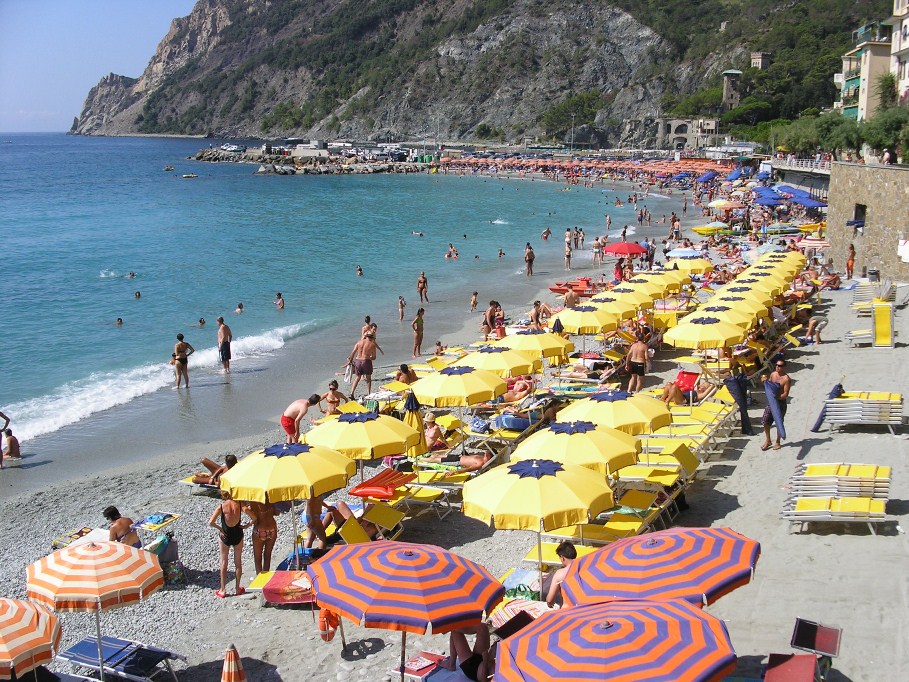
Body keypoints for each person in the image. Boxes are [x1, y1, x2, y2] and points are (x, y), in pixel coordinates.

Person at [208, 490, 251, 597]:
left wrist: (220, 529)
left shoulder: (221, 506)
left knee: (223, 562)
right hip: (238, 534)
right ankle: (237, 588)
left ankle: (222, 590)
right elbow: (254, 518)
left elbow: (211, 522)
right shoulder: (240, 504)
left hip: (225, 535)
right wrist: (246, 526)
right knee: (238, 562)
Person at [761, 359, 791, 451]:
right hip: (772, 402)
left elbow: (785, 394)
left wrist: (776, 398)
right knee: (765, 421)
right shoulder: (773, 374)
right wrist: (764, 381)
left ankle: (778, 441)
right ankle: (768, 440)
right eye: (777, 365)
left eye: (780, 366)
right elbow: (769, 386)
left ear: (784, 367)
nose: (778, 367)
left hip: (780, 403)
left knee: (779, 422)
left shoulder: (786, 379)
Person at [243, 501, 279, 574]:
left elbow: (254, 518)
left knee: (257, 557)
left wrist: (247, 525)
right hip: (272, 528)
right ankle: (265, 578)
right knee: (267, 555)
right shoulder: (271, 498)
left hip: (259, 529)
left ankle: (259, 579)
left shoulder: (253, 501)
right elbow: (277, 513)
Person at [544, 541, 577, 607]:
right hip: (586, 609)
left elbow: (549, 599)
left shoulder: (560, 574)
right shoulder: (586, 567)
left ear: (562, 558)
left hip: (568, 611)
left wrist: (550, 603)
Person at [348, 332, 381, 398]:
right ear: (372, 337)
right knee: (368, 378)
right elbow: (374, 357)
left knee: (357, 377)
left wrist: (350, 361)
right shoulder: (372, 344)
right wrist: (370, 357)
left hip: (358, 361)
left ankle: (352, 392)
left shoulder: (359, 342)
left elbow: (353, 353)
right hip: (366, 361)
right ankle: (369, 393)